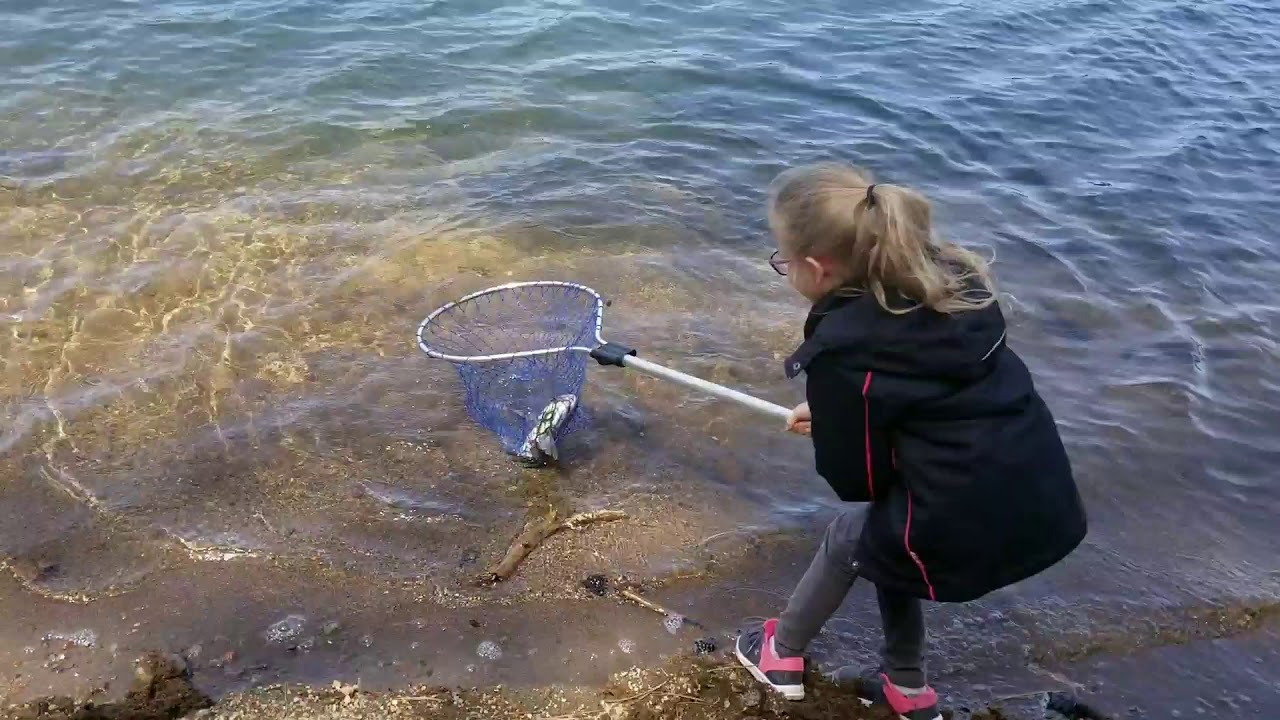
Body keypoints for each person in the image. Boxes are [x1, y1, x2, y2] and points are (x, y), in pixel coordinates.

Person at [733, 162, 1088, 720]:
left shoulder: (846, 356)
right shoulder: (955, 292)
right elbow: (931, 405)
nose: (783, 271)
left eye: (782, 262)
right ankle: (906, 686)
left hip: (965, 522)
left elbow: (857, 481)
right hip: (1040, 497)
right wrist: (836, 413)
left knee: (855, 531)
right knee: (888, 531)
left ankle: (781, 653)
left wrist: (836, 421)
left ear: (816, 269)